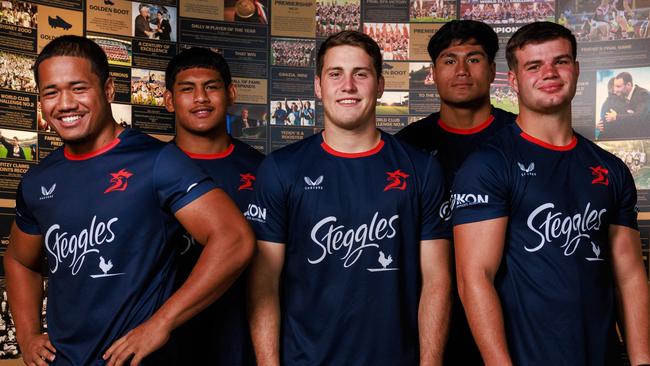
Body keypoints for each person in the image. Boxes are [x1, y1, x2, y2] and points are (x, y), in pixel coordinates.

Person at [4, 35, 255, 366]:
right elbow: (20, 261)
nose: (65, 103)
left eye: (78, 88)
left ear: (108, 90)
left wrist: (161, 323)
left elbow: (234, 239)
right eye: (51, 92)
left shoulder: (157, 161)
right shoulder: (39, 180)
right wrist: (27, 335)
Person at [247, 30, 452, 365]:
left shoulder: (422, 169)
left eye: (361, 74)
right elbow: (264, 283)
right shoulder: (281, 169)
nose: (348, 86)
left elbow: (437, 281)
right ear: (317, 86)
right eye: (335, 74)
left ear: (380, 85)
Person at [452, 22, 650, 365]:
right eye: (533, 66)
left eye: (560, 61)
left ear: (575, 70)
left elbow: (630, 277)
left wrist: (642, 360)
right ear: (513, 80)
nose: (549, 73)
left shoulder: (611, 168)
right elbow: (475, 278)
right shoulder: (488, 165)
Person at [396, 19, 516, 365]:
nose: (461, 70)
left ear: (493, 70)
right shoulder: (407, 148)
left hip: (508, 316)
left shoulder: (519, 138)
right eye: (449, 60)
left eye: (474, 59)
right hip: (427, 317)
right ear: (432, 72)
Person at [162, 47, 263, 365]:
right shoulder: (148, 171)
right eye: (187, 89)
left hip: (240, 340)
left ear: (230, 93)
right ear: (168, 101)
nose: (201, 98)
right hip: (165, 342)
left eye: (211, 87)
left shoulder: (264, 170)